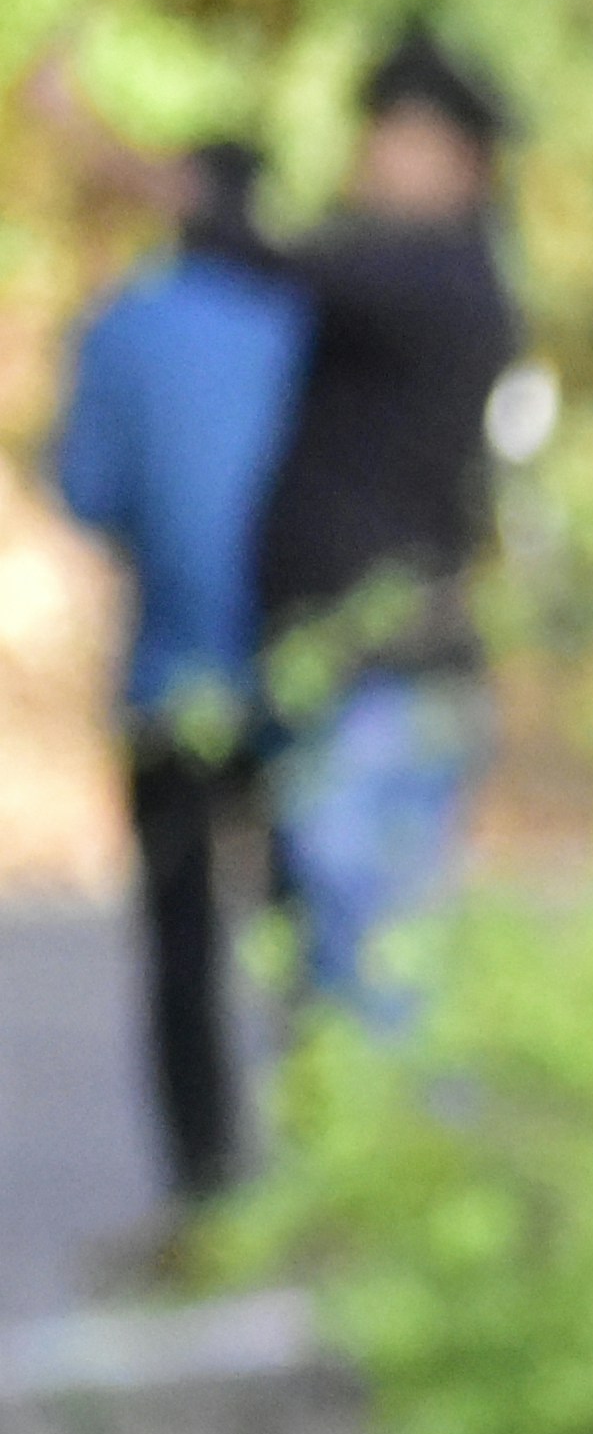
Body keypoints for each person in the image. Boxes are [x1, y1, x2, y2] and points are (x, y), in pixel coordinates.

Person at [42, 138, 311, 1210]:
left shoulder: (128, 325)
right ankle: (331, 1176)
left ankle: (208, 1189)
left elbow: (87, 490)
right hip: (302, 676)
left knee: (184, 950)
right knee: (312, 939)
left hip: (172, 681)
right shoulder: (313, 322)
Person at [242, 28, 527, 1024]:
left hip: (387, 677)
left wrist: (110, 156)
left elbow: (263, 250)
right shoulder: (429, 278)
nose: (373, 158)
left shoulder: (433, 281)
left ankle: (395, 1178)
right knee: (345, 969)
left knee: (373, 975)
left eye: (398, 137)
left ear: (460, 161)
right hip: (359, 669)